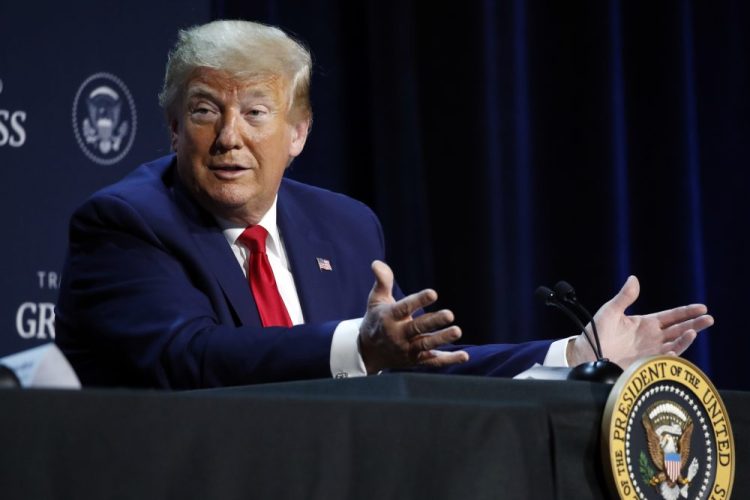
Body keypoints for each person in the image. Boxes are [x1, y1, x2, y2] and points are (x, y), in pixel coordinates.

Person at [54, 20, 713, 389]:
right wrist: (361, 345)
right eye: (204, 111)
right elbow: (192, 362)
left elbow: (411, 367)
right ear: (172, 129)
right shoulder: (126, 224)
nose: (229, 136)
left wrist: (575, 353)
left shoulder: (343, 226)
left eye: (255, 111)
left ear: (298, 132)